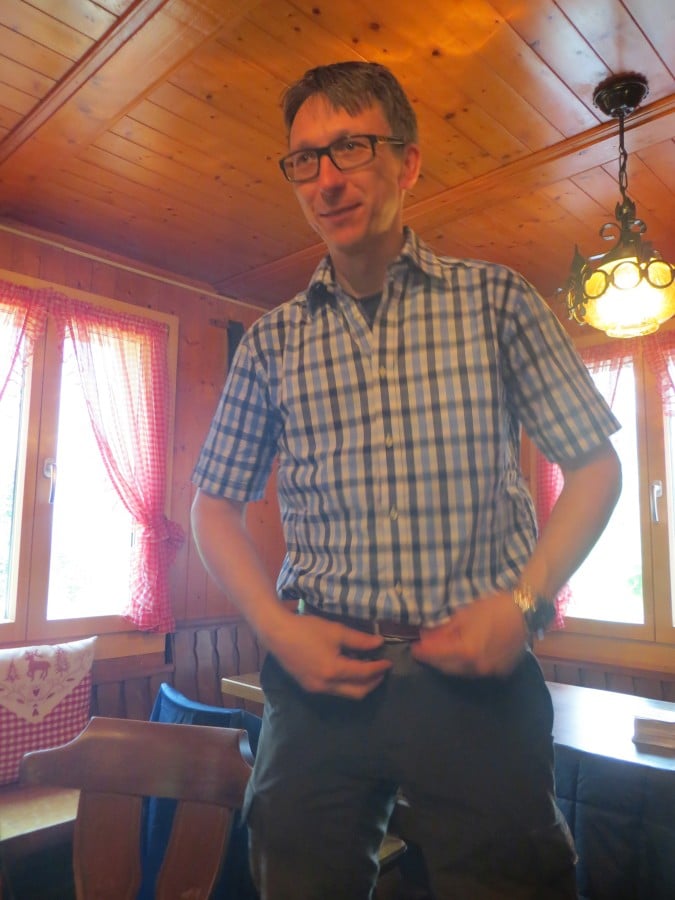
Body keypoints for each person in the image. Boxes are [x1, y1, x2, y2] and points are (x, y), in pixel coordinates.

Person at [191, 61, 622, 900]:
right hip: (317, 680)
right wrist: (275, 629)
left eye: (350, 148)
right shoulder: (271, 342)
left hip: (476, 679)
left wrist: (524, 604)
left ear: (407, 161)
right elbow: (211, 508)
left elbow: (595, 467)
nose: (325, 179)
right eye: (304, 159)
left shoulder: (498, 301)